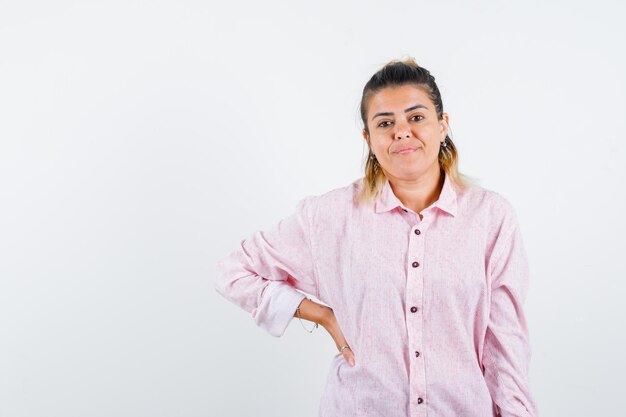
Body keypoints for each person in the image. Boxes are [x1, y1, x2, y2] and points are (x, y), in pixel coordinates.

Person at [214, 57, 539, 417]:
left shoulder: (491, 218)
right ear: (368, 138)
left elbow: (505, 347)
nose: (402, 132)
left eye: (416, 117)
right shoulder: (329, 217)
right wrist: (321, 315)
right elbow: (233, 272)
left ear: (443, 125)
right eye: (386, 123)